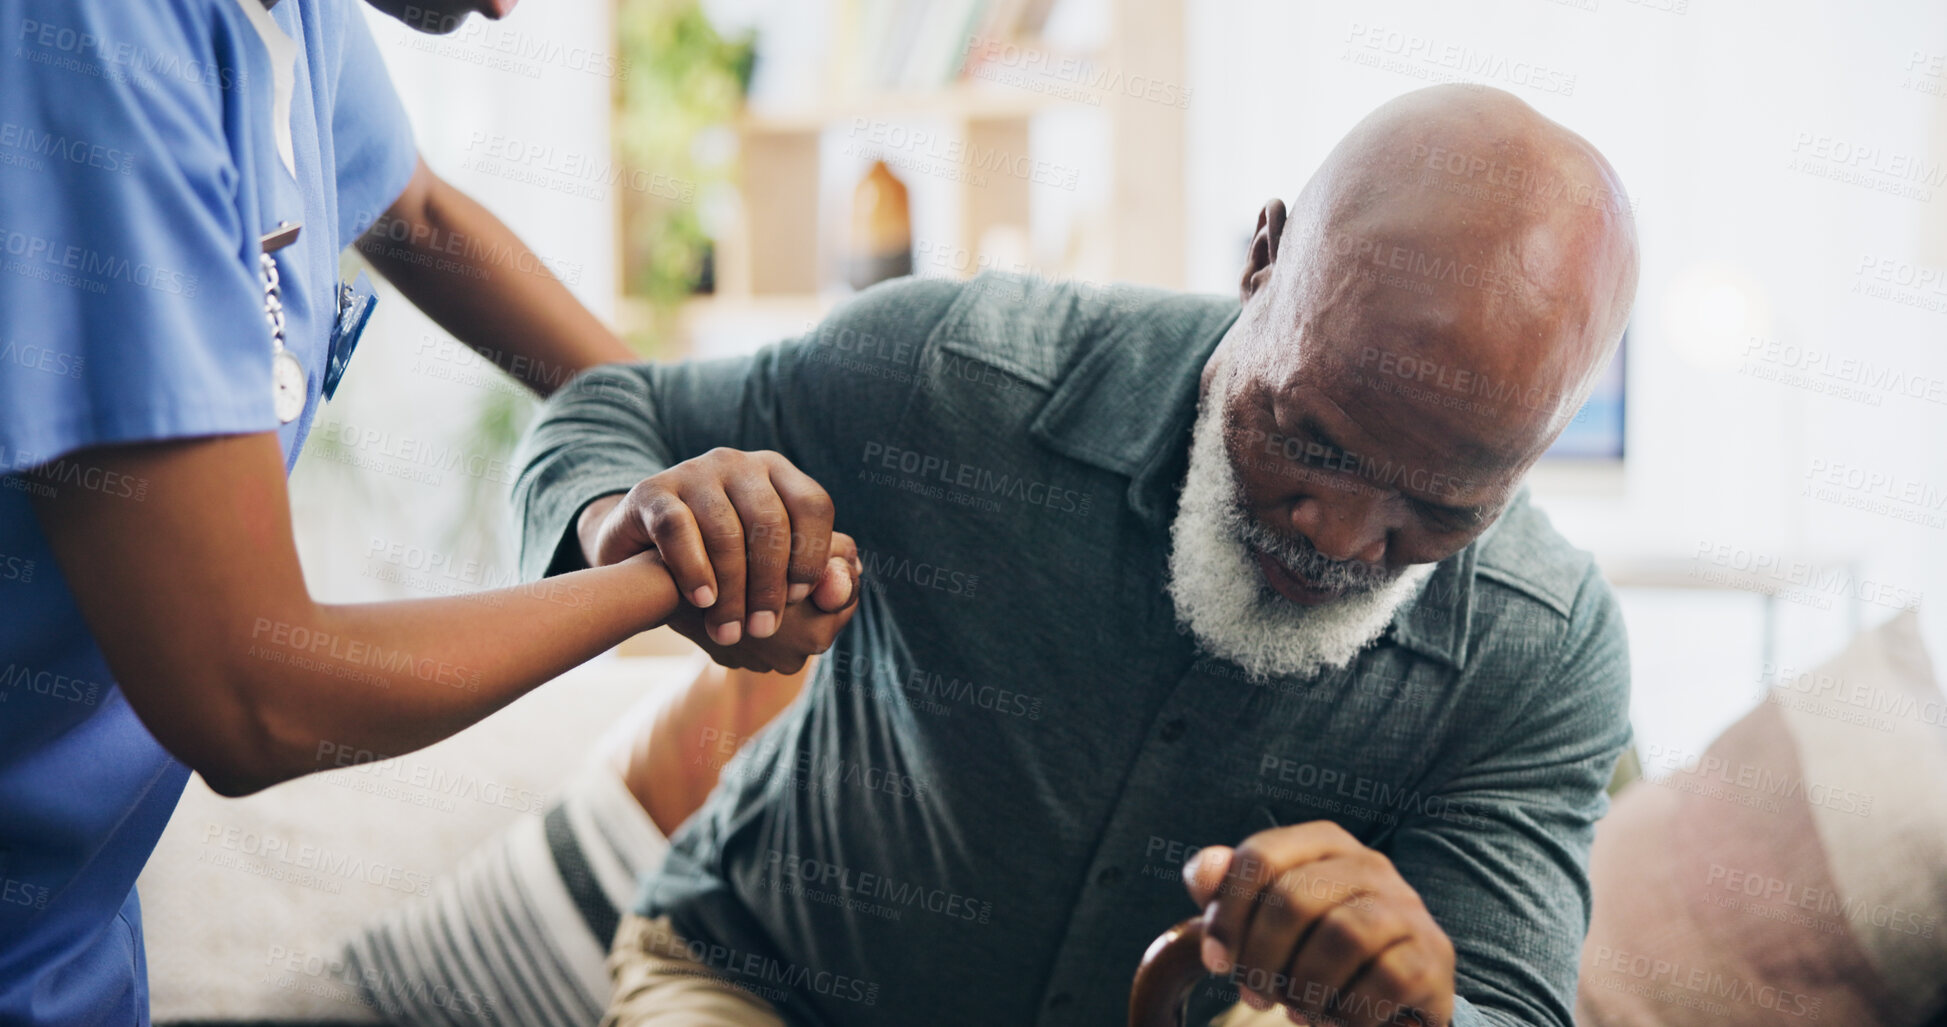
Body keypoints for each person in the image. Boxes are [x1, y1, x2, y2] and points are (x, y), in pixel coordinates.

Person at [515, 83, 1640, 1027]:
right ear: (1264, 257)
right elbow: (614, 412)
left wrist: (1415, 1011)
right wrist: (626, 522)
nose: (1340, 537)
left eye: (1440, 509)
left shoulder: (1542, 650)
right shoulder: (961, 378)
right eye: (1312, 440)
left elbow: (1503, 999)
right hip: (759, 987)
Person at [0, 0, 847, 1023]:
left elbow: (422, 217)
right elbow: (249, 694)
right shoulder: (91, 36)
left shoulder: (294, 18)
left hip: (70, 946)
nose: (504, 7)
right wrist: (670, 576)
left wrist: (699, 457)